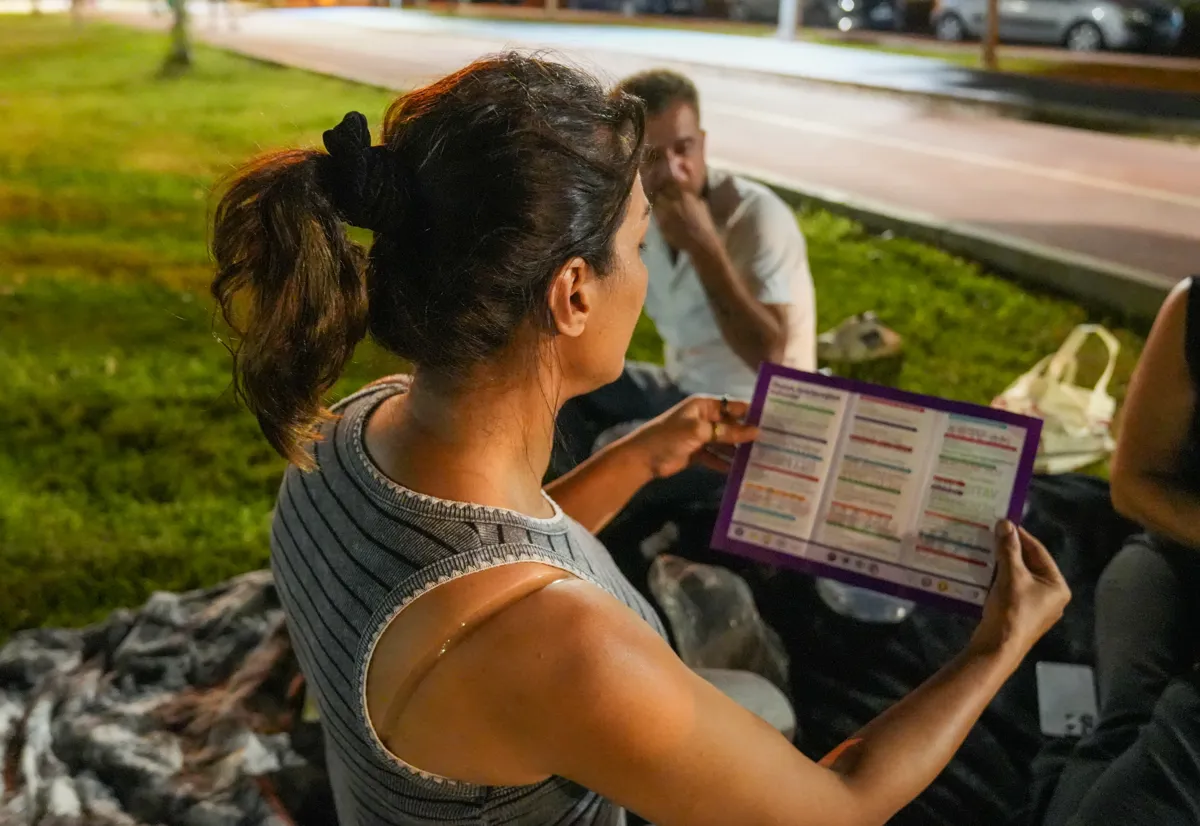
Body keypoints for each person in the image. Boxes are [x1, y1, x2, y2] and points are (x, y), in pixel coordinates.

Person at [211, 53, 1069, 826]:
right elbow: (839, 806)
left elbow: (486, 566)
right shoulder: (570, 655)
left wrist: (642, 456)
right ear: (573, 294)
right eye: (639, 243)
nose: (647, 270)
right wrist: (1000, 643)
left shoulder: (349, 430)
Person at [551, 69, 816, 481]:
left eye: (684, 148)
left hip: (753, 417)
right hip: (682, 390)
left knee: (613, 458)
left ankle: (602, 512)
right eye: (653, 157)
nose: (675, 171)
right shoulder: (640, 215)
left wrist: (704, 247)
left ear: (703, 143)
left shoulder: (756, 217)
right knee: (554, 384)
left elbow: (769, 358)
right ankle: (550, 507)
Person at [1041, 276, 1200, 826]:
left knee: (1176, 741)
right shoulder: (1193, 308)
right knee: (1125, 720)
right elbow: (1132, 483)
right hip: (1176, 551)